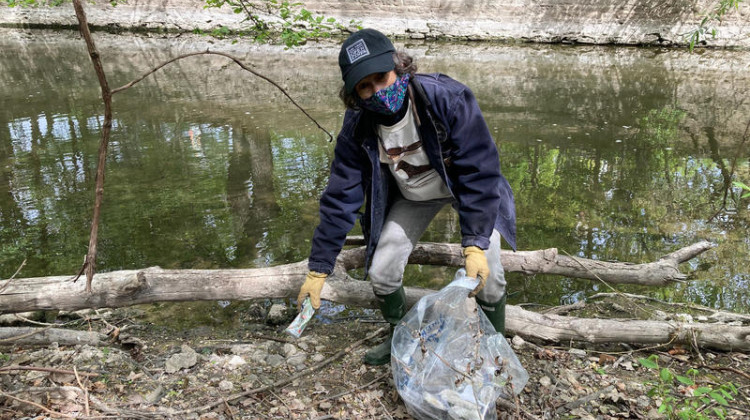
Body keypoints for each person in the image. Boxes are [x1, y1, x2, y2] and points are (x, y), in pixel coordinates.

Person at [297, 28, 516, 366]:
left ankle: (494, 347)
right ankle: (400, 337)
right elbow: (341, 196)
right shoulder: (358, 126)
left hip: (467, 190)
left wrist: (473, 243)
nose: (377, 92)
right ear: (354, 94)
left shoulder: (446, 97)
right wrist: (319, 268)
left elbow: (480, 171)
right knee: (381, 269)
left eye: (381, 78)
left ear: (399, 66)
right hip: (414, 196)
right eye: (364, 87)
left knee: (489, 271)